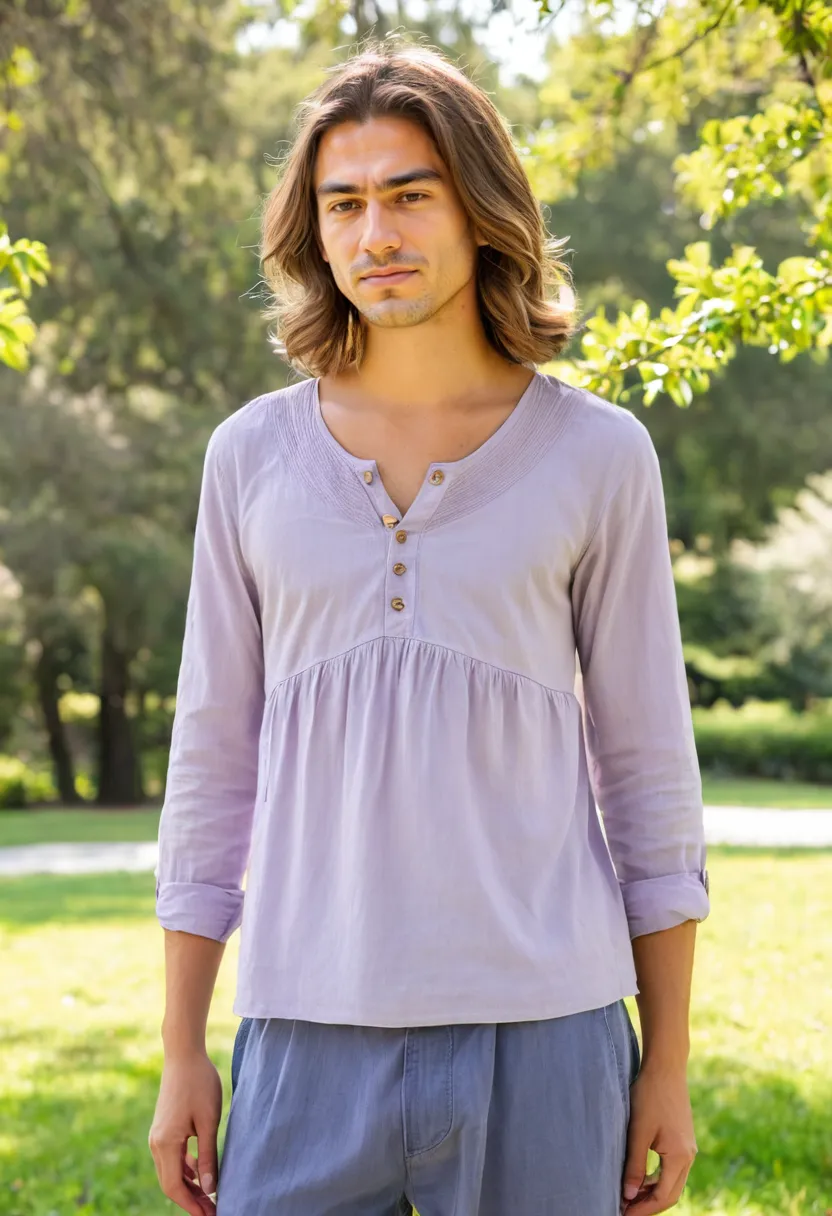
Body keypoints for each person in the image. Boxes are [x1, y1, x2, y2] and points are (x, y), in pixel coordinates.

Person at [148, 38, 710, 1216]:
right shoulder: (249, 456)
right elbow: (210, 758)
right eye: (342, 203)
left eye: (410, 194)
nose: (375, 235)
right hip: (307, 1028)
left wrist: (665, 1061)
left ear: (480, 207)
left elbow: (649, 770)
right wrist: (182, 1046)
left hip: (550, 1033)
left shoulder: (600, 454)